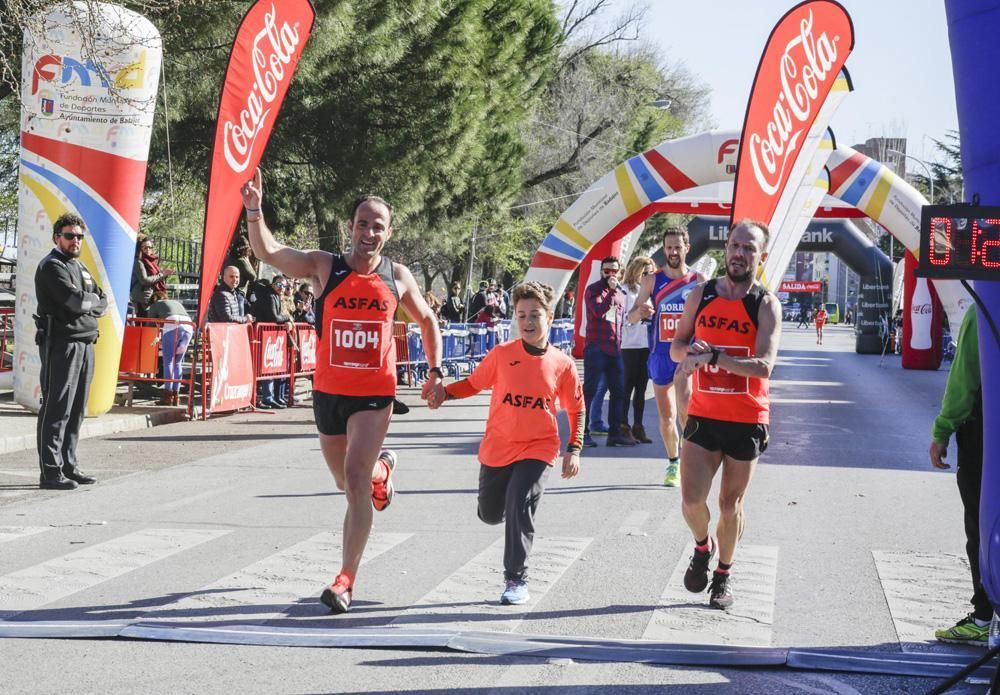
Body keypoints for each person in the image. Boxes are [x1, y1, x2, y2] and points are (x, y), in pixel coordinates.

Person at [240, 167, 442, 614]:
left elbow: (427, 320)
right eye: (363, 223)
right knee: (344, 481)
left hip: (375, 394)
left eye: (379, 226)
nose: (369, 232)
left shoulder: (398, 276)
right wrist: (255, 210)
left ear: (388, 234)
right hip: (330, 393)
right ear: (350, 227)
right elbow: (269, 252)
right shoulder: (323, 266)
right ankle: (382, 474)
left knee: (352, 480)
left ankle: (345, 580)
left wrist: (435, 370)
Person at [423, 281, 583, 605]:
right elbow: (473, 383)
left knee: (520, 500)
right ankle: (506, 508)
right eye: (521, 315)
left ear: (550, 317)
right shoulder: (502, 354)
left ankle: (516, 579)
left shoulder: (562, 364)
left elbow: (576, 407)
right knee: (491, 514)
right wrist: (444, 393)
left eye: (535, 315)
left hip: (539, 446)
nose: (527, 322)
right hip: (498, 446)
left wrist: (574, 448)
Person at [669, 219, 781, 610]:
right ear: (725, 249)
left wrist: (717, 356)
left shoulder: (765, 304)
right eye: (735, 245)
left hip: (747, 418)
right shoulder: (701, 295)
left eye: (749, 248)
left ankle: (723, 575)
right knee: (690, 501)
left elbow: (764, 366)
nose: (739, 253)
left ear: (760, 256)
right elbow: (676, 348)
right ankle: (703, 546)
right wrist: (691, 352)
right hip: (703, 413)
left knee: (730, 505)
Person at [34, 213, 108, 490]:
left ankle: (69, 465)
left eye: (78, 236)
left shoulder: (80, 267)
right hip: (61, 343)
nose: (75, 240)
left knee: (77, 409)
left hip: (85, 342)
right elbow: (75, 303)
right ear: (57, 238)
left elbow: (102, 302)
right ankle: (50, 472)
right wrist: (87, 302)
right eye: (69, 235)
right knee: (57, 406)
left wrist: (87, 302)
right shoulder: (52, 266)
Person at [628, 227, 705, 486]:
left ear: (687, 248)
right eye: (668, 247)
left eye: (677, 247)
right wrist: (642, 310)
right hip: (661, 355)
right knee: (667, 416)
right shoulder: (651, 280)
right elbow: (630, 318)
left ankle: (690, 462)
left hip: (686, 355)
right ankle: (673, 462)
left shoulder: (699, 280)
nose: (672, 252)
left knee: (686, 410)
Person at [930, 308, 989, 645]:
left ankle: (984, 617)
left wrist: (943, 430)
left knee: (983, 527)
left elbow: (965, 377)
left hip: (986, 434)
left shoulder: (984, 309)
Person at [582, 256, 637, 448]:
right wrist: (611, 293)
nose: (610, 275)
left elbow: (620, 321)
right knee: (589, 391)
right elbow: (598, 311)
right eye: (607, 271)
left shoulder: (621, 293)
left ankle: (614, 433)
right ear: (601, 271)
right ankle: (582, 432)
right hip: (596, 347)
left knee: (618, 392)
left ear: (619, 272)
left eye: (614, 271)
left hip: (614, 348)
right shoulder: (594, 290)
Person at [621, 256, 656, 444]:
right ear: (636, 271)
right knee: (627, 387)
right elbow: (622, 317)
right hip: (628, 345)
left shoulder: (652, 292)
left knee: (641, 388)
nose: (647, 276)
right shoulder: (626, 291)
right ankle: (623, 425)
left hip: (646, 345)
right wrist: (638, 314)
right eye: (644, 272)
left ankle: (638, 426)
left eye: (651, 272)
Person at [148, 289, 194, 406]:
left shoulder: (156, 305)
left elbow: (150, 324)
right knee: (178, 363)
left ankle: (167, 395)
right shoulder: (176, 303)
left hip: (173, 325)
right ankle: (176, 396)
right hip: (188, 327)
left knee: (168, 361)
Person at [254, 275, 294, 409]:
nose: (282, 288)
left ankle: (274, 397)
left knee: (271, 368)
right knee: (266, 369)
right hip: (262, 335)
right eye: (279, 284)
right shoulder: (270, 296)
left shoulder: (277, 296)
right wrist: (288, 318)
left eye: (284, 285)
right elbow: (274, 316)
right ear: (272, 285)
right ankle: (267, 398)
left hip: (269, 336)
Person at [130, 235, 174, 318]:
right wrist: (162, 274)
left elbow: (155, 278)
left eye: (149, 247)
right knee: (142, 325)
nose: (147, 250)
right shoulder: (139, 261)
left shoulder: (152, 261)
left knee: (151, 326)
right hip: (142, 299)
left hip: (152, 298)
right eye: (144, 248)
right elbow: (144, 280)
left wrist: (164, 274)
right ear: (140, 249)